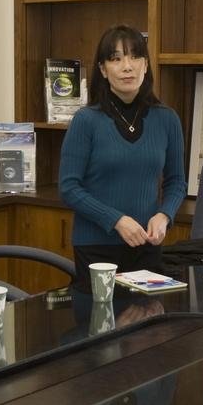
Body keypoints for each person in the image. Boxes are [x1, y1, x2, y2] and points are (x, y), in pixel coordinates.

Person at [58, 25, 186, 291]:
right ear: (103, 70)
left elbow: (176, 182)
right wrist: (116, 220)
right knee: (100, 327)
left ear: (146, 65)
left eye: (135, 56)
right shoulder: (86, 120)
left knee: (148, 328)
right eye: (116, 59)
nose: (127, 67)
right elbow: (69, 187)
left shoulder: (167, 119)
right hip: (97, 250)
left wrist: (164, 215)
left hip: (147, 247)